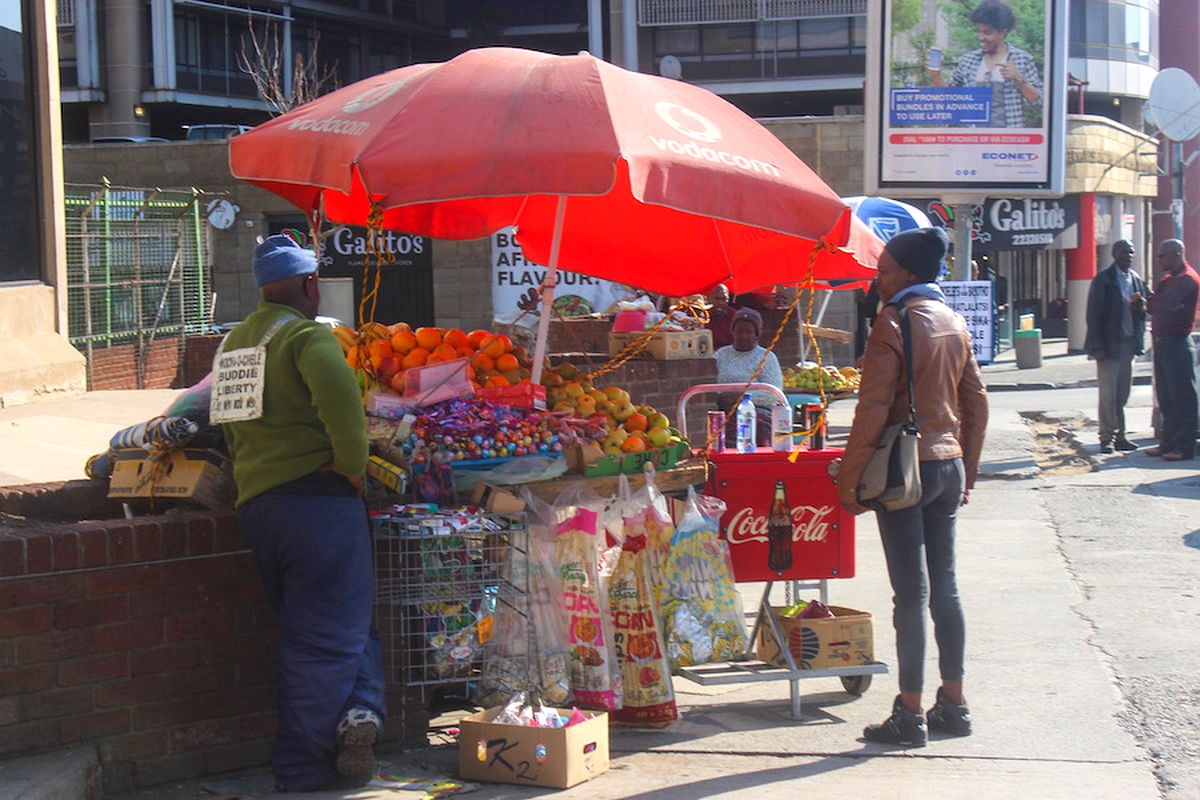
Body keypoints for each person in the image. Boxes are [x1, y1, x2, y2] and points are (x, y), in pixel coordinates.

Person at [218, 235, 385, 792]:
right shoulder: (305, 335)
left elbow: (230, 425)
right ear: (311, 285)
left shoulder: (235, 345)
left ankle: (360, 711)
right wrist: (353, 464)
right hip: (318, 504)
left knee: (333, 623)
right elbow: (341, 403)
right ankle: (300, 767)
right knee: (324, 641)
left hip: (260, 507)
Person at [833, 227, 988, 747]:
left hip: (905, 471)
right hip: (948, 466)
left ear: (910, 275)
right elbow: (977, 403)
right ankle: (955, 703)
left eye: (885, 271)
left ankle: (910, 712)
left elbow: (872, 410)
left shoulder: (893, 322)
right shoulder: (952, 319)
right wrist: (971, 467)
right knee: (945, 587)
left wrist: (849, 481)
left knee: (910, 596)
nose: (878, 280)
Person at [929, 0, 1043, 128]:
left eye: (987, 33)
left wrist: (1018, 77)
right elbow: (948, 99)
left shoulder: (1022, 59)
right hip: (976, 141)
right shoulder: (969, 60)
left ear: (1003, 32)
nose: (981, 37)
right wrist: (936, 75)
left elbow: (1038, 101)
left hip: (1010, 141)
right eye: (979, 31)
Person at [1084, 240, 1148, 453]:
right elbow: (1093, 314)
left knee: (1122, 394)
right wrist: (1097, 346)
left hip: (1128, 345)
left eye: (1131, 252)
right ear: (1114, 254)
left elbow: (1143, 310)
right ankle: (1107, 437)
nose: (1128, 255)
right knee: (1108, 394)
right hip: (1109, 345)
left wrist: (1141, 307)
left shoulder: (1135, 279)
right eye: (1123, 252)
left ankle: (1121, 435)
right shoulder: (1104, 279)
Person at [1146, 238, 1199, 461]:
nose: (1159, 261)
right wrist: (1158, 303)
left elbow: (1163, 304)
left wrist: (1159, 303)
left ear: (1176, 254)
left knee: (1182, 398)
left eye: (1162, 256)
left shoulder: (1187, 278)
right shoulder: (1169, 279)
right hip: (1162, 342)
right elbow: (1155, 303)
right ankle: (1167, 442)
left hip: (1178, 343)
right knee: (1166, 397)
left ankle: (1184, 447)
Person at [713, 307, 785, 447]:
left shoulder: (766, 357)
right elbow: (712, 385)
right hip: (726, 409)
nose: (743, 336)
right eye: (739, 331)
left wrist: (741, 397)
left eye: (749, 332)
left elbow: (772, 394)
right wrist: (723, 397)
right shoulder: (721, 355)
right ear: (733, 332)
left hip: (759, 410)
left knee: (751, 423)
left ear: (756, 334)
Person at [705, 283, 739, 349]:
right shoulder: (699, 315)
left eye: (724, 299)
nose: (721, 303)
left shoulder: (735, 316)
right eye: (717, 298)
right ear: (708, 298)